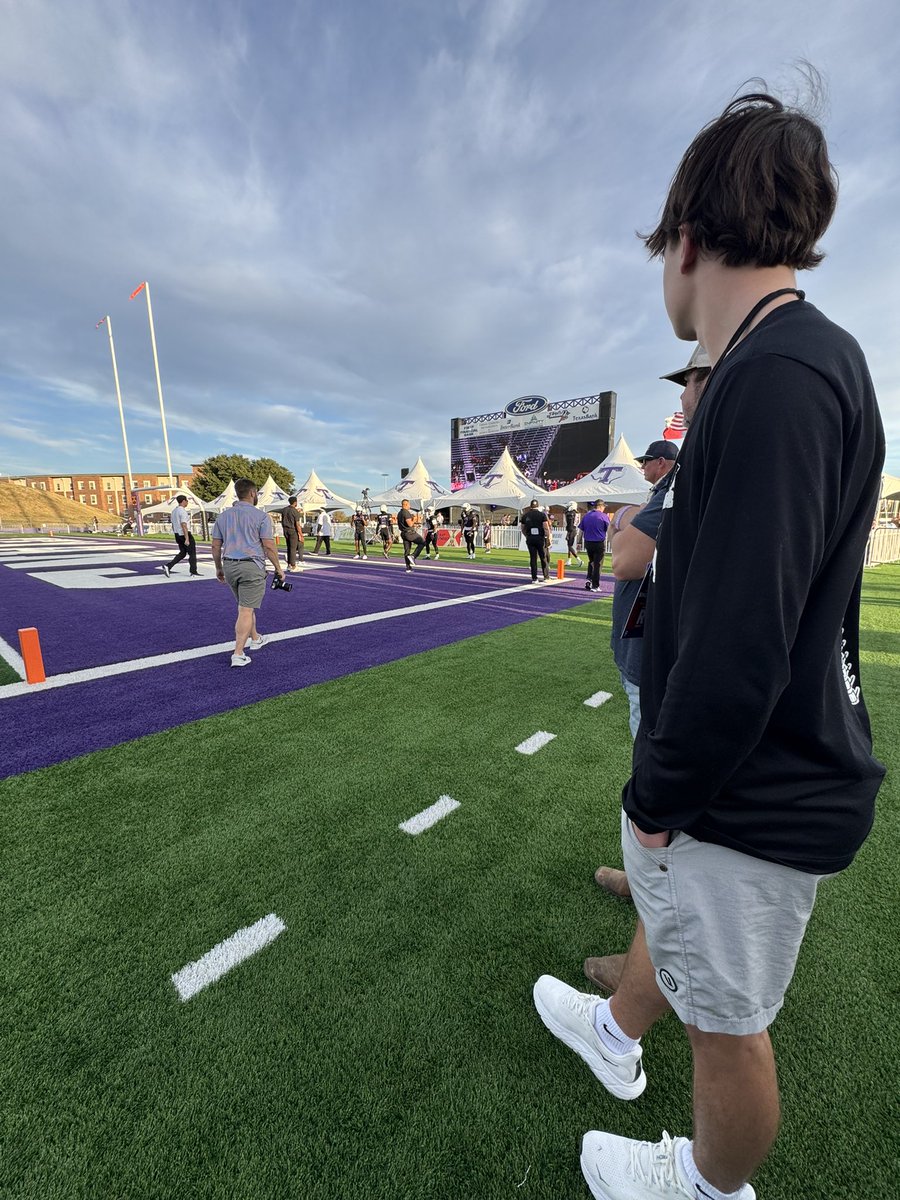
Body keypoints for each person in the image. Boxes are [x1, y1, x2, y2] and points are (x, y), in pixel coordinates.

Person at [533, 88, 885, 1200]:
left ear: (688, 239)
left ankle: (709, 1189)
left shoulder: (776, 377)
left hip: (751, 782)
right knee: (709, 996)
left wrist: (655, 797)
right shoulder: (802, 362)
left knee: (728, 1031)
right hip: (769, 768)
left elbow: (741, 646)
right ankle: (617, 1029)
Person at [587, 356, 710, 987]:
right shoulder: (676, 482)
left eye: (693, 380)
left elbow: (625, 555)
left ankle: (651, 956)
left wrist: (626, 524)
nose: (686, 395)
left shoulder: (689, 477)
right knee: (652, 795)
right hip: (656, 658)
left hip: (667, 664)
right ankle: (644, 896)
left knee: (657, 797)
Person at [211, 478, 286, 667]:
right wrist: (278, 568)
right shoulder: (261, 516)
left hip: (230, 565)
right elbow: (269, 546)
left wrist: (218, 567)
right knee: (245, 609)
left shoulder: (223, 516)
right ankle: (238, 653)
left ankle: (256, 638)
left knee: (245, 605)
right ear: (253, 493)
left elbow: (215, 546)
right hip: (251, 565)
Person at [161, 494, 200, 578]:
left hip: (177, 534)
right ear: (183, 501)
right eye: (186, 501)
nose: (187, 502)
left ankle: (168, 566)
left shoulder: (174, 511)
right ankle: (193, 571)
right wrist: (187, 538)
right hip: (184, 534)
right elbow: (184, 524)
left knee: (182, 553)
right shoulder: (182, 511)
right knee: (192, 553)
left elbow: (173, 524)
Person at [579, 500, 610, 591]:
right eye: (604, 507)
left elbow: (581, 530)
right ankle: (595, 586)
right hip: (599, 543)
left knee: (591, 561)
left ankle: (588, 579)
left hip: (588, 543)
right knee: (598, 564)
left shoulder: (587, 516)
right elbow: (609, 529)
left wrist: (579, 542)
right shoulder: (603, 516)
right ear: (600, 506)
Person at [520, 499, 550, 582]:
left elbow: (522, 528)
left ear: (530, 506)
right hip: (540, 538)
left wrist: (527, 535)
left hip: (530, 538)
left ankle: (534, 578)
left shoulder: (525, 516)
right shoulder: (542, 515)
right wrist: (547, 537)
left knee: (533, 558)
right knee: (543, 557)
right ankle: (546, 576)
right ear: (538, 506)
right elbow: (546, 527)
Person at [396, 499, 425, 572]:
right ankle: (414, 555)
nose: (410, 506)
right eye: (409, 505)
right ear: (405, 504)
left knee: (407, 551)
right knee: (422, 542)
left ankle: (408, 567)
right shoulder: (406, 512)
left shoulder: (399, 513)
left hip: (403, 532)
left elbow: (405, 524)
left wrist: (414, 525)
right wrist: (414, 519)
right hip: (409, 533)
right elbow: (410, 524)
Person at [280, 496, 305, 572]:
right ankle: (293, 566)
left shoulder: (284, 510)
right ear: (295, 502)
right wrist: (301, 534)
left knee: (289, 548)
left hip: (285, 530)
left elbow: (282, 520)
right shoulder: (295, 511)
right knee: (293, 548)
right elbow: (297, 524)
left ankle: (289, 565)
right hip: (292, 530)